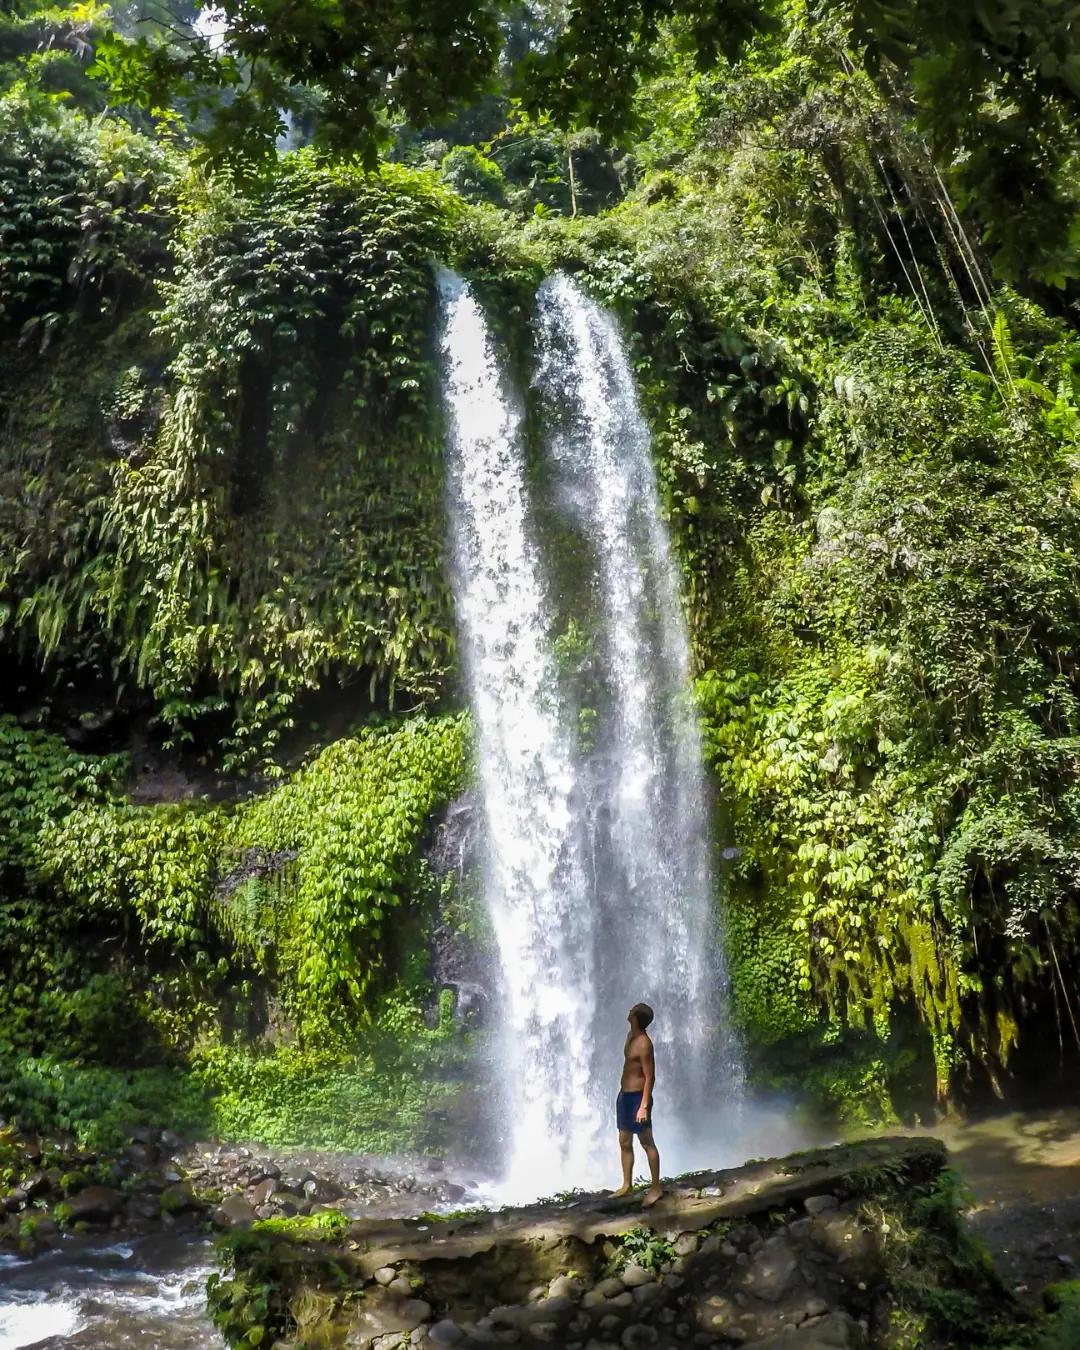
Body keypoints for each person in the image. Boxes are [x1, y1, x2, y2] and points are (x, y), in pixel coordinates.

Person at [610, 1001, 662, 1207]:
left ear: (637, 1018)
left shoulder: (644, 1043)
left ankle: (656, 1187)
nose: (628, 1011)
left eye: (632, 1011)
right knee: (624, 1141)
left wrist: (644, 1106)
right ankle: (626, 1184)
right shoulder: (630, 1036)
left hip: (638, 1098)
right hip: (624, 1096)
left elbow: (650, 1077)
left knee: (647, 1142)